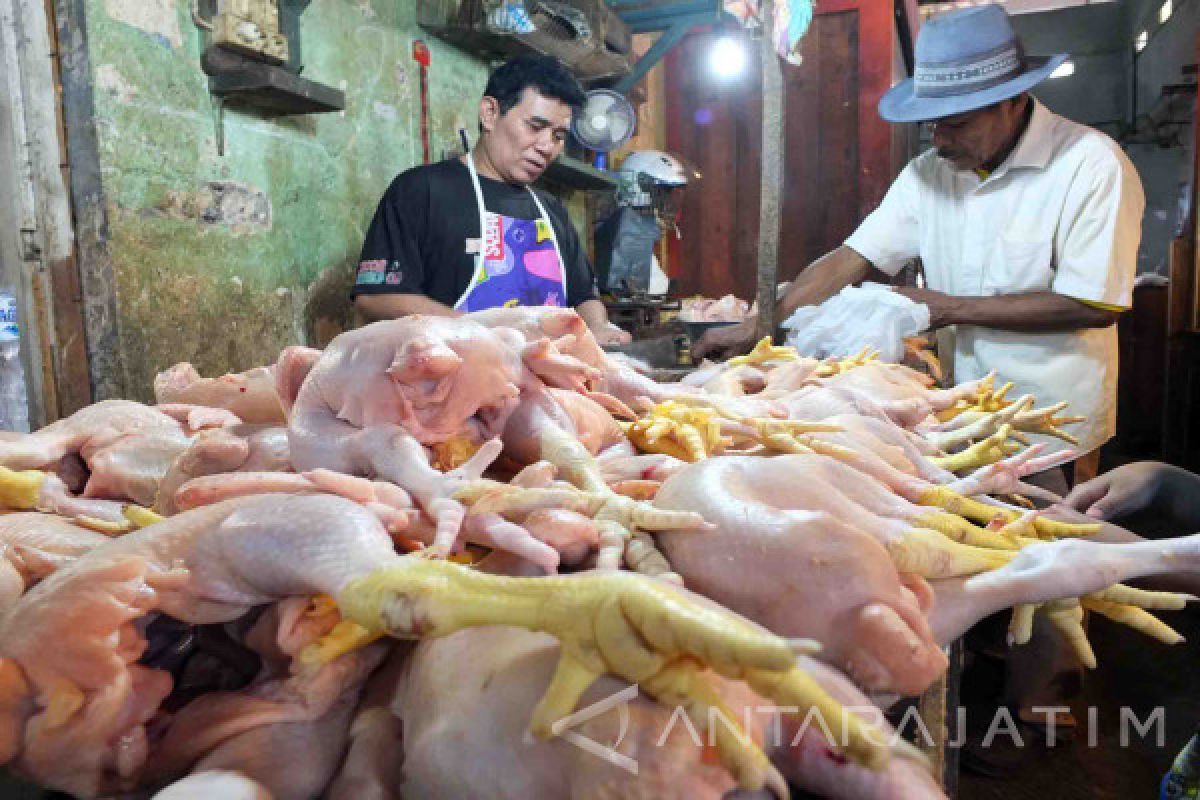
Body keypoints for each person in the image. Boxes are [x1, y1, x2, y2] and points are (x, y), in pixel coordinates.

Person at [694, 3, 1144, 487]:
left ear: (1012, 102)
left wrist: (943, 308)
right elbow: (852, 258)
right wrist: (761, 323)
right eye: (931, 123)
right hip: (958, 410)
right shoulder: (928, 173)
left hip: (1051, 423)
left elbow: (1093, 302)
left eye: (956, 123)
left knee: (1048, 538)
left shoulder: (1090, 164)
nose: (940, 139)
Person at [351, 54, 631, 346]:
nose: (547, 146)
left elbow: (584, 296)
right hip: (452, 382)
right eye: (535, 126)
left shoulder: (551, 211)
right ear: (489, 113)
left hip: (543, 385)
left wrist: (598, 328)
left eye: (558, 135)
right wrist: (486, 336)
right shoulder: (422, 191)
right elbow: (375, 298)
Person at [594, 150, 690, 295]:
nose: (666, 202)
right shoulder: (630, 224)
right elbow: (630, 290)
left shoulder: (638, 224)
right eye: (661, 192)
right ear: (638, 186)